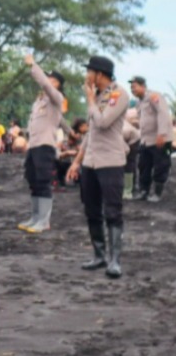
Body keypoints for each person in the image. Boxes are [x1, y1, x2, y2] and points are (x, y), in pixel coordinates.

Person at [67, 56, 129, 278]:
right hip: (91, 162)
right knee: (91, 209)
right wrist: (77, 161)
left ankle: (115, 261)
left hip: (110, 161)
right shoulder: (98, 97)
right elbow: (90, 134)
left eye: (89, 72)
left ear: (100, 74)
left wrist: (90, 100)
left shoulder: (118, 94)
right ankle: (99, 255)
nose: (86, 76)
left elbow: (103, 122)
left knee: (112, 211)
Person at [19, 54, 67, 232]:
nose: (47, 80)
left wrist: (33, 65)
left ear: (58, 84)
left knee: (43, 181)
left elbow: (45, 85)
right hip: (34, 146)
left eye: (51, 79)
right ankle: (35, 217)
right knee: (33, 180)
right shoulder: (39, 102)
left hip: (45, 146)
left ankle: (44, 220)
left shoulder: (57, 98)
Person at [131, 76, 172, 202]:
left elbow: (163, 113)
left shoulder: (154, 96)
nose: (132, 90)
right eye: (131, 88)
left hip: (159, 139)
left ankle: (157, 193)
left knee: (161, 165)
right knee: (143, 165)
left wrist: (162, 134)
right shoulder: (139, 102)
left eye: (134, 87)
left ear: (143, 86)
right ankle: (144, 191)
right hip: (146, 140)